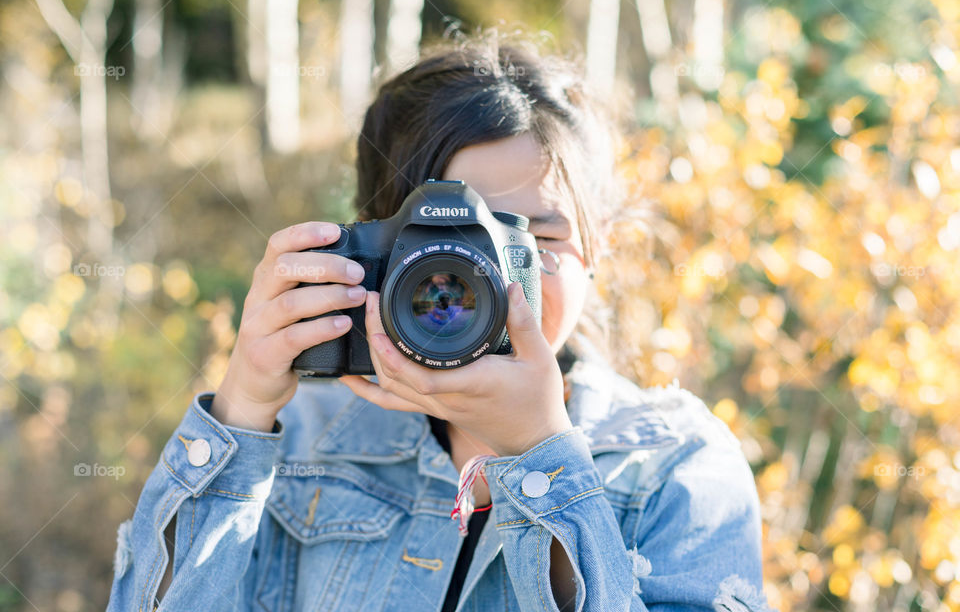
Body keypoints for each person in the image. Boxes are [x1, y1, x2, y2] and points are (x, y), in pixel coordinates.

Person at [106, 32, 773, 612]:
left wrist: (539, 455)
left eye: (535, 240)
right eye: (442, 252)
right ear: (370, 252)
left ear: (597, 250)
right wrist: (243, 411)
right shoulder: (300, 444)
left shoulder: (676, 467)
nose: (486, 282)